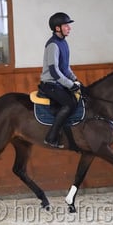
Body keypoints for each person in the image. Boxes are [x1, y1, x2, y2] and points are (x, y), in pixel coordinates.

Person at [39, 12, 81, 149]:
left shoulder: (63, 43)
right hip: (50, 84)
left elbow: (65, 67)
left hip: (59, 83)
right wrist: (70, 85)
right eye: (66, 25)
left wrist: (75, 80)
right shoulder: (53, 45)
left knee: (78, 98)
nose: (69, 28)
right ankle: (51, 137)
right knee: (69, 104)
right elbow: (54, 72)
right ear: (57, 28)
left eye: (69, 25)